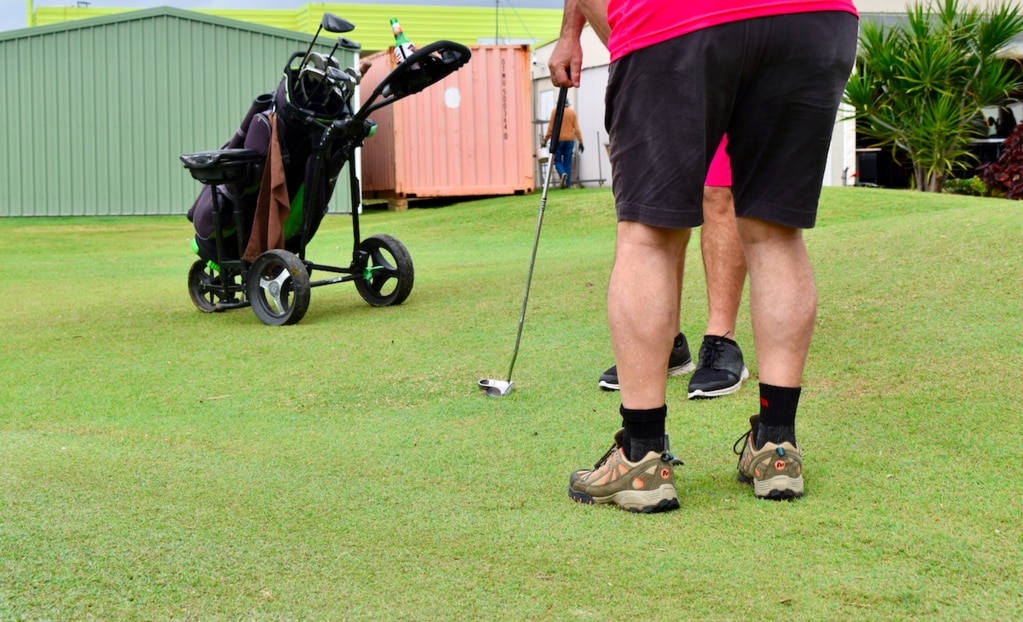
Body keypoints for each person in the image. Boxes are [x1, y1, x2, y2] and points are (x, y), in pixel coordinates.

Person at [550, 0, 858, 511]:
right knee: (776, 233)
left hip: (679, 19)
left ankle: (641, 456)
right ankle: (776, 447)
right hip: (812, 19)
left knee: (648, 235)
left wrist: (592, 31)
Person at [598, 136, 750, 400]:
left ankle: (722, 340)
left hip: (728, 94)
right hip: (670, 96)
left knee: (718, 190)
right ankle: (668, 344)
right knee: (664, 196)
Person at [542, 99, 584, 188]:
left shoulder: (554, 112)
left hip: (558, 140)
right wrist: (580, 142)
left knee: (557, 160)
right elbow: (577, 129)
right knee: (567, 161)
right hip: (570, 140)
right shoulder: (572, 113)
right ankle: (567, 184)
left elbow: (550, 128)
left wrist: (545, 140)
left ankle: (562, 173)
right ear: (568, 104)